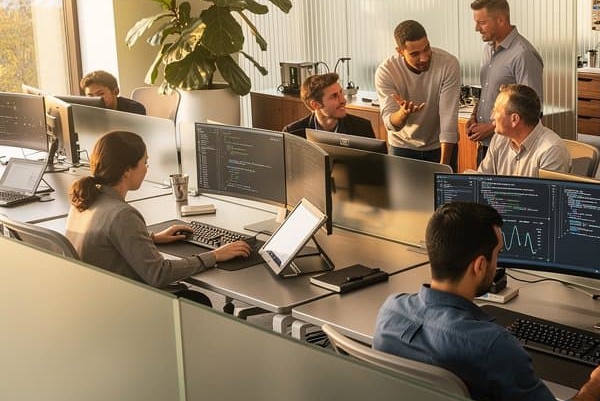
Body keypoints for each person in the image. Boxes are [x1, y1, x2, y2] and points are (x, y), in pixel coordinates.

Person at [374, 201, 600, 401]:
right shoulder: (492, 345)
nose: (497, 264)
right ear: (480, 266)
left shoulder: (390, 311)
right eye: (497, 254)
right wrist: (598, 383)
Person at [65, 130, 250, 303]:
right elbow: (159, 274)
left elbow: (107, 240)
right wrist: (215, 255)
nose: (146, 169)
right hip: (125, 304)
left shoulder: (84, 200)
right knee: (197, 300)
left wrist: (151, 238)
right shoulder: (122, 215)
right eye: (145, 162)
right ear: (127, 170)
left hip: (97, 299)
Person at [466, 0, 544, 164]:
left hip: (509, 148)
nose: (477, 28)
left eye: (482, 22)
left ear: (501, 20)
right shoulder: (488, 49)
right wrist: (475, 115)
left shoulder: (523, 54)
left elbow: (531, 110)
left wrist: (491, 128)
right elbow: (488, 90)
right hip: (486, 145)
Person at [374, 20, 462, 170]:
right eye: (415, 54)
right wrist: (403, 113)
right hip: (402, 147)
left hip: (440, 146)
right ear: (400, 51)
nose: (424, 58)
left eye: (426, 48)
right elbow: (390, 123)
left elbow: (448, 118)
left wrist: (444, 167)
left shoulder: (448, 63)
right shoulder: (386, 71)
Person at [476, 84, 570, 177]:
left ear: (514, 119)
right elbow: (482, 179)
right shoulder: (499, 139)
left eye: (496, 111)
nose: (492, 116)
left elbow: (547, 188)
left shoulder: (551, 150)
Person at [283, 72, 375, 138]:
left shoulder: (362, 128)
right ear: (315, 105)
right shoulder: (292, 133)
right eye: (334, 96)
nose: (343, 100)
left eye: (341, 93)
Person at [80, 70, 146, 115]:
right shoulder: (84, 112)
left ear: (115, 92)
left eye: (100, 94)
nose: (95, 99)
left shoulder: (134, 109)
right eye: (90, 95)